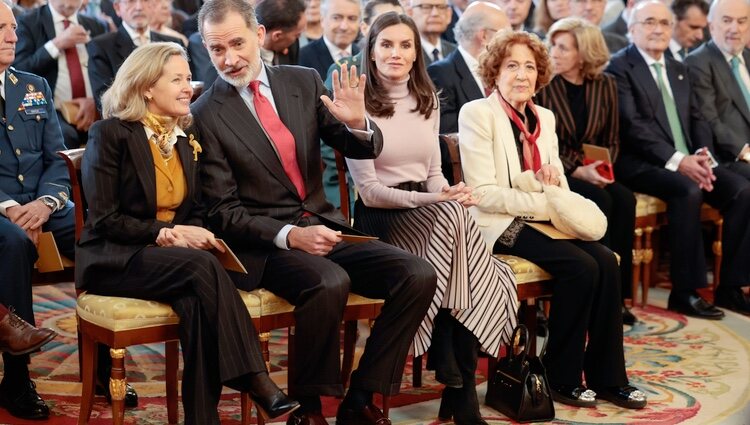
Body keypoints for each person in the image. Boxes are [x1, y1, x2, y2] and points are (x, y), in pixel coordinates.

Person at [192, 1, 437, 425]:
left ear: (260, 35)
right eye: (216, 49)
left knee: (417, 274)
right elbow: (222, 212)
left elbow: (359, 146)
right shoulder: (204, 113)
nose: (228, 59)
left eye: (236, 43)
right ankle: (307, 410)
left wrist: (359, 121)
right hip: (264, 244)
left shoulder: (303, 81)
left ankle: (361, 396)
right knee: (328, 281)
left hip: (323, 225)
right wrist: (290, 235)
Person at [76, 42, 299, 425]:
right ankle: (256, 380)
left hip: (171, 261)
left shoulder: (185, 138)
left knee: (198, 305)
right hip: (113, 258)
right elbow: (104, 219)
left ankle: (202, 419)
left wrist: (192, 231)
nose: (188, 87)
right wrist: (166, 233)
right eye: (176, 79)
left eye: (187, 78)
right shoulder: (110, 133)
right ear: (147, 87)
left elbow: (194, 211)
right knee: (200, 267)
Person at [458, 29, 647, 410]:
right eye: (512, 65)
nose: (522, 74)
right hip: (496, 222)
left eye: (530, 66)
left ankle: (610, 378)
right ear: (495, 70)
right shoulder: (477, 113)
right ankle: (560, 375)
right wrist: (546, 200)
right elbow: (483, 193)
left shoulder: (545, 116)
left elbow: (557, 178)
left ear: (541, 74)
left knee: (606, 262)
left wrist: (550, 190)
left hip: (542, 215)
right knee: (580, 267)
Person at [346, 13, 518, 425]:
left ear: (416, 52)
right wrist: (433, 201)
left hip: (429, 213)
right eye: (386, 44)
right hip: (380, 218)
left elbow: (434, 174)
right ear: (371, 50)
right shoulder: (358, 103)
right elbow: (369, 192)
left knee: (456, 216)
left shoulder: (427, 97)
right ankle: (458, 386)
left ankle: (454, 376)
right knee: (454, 225)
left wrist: (451, 193)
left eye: (406, 45)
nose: (396, 53)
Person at [606, 0, 750, 318]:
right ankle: (684, 292)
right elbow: (633, 128)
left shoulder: (677, 66)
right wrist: (679, 160)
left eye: (664, 23)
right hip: (640, 161)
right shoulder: (619, 66)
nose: (657, 29)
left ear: (672, 29)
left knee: (741, 191)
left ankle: (731, 286)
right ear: (631, 28)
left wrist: (702, 155)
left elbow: (697, 117)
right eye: (648, 23)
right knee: (687, 190)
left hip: (686, 158)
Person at [535, 17, 638, 324]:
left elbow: (612, 138)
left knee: (625, 199)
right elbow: (541, 141)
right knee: (601, 201)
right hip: (556, 170)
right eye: (553, 45)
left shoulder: (605, 84)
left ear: (584, 53)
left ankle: (617, 295)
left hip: (594, 169)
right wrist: (578, 170)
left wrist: (602, 168)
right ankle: (595, 292)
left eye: (564, 47)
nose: (554, 52)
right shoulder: (543, 85)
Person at [0, 3, 74, 420]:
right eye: (2, 29)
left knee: (94, 230)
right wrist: (12, 208)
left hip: (39, 205)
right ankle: (16, 379)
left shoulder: (34, 85)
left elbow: (57, 159)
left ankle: (104, 362)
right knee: (12, 242)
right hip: (3, 209)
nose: (13, 36)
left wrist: (46, 203)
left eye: (13, 27)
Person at [13, 0, 108, 149]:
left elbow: (109, 73)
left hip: (94, 109)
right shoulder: (28, 22)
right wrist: (56, 44)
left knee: (114, 133)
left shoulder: (96, 26)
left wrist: (96, 102)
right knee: (64, 136)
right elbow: (18, 71)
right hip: (50, 110)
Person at [685, 0, 750, 184]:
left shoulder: (748, 58)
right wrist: (745, 151)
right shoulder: (698, 62)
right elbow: (709, 118)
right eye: (727, 20)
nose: (735, 28)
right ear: (712, 25)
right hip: (728, 157)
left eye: (742, 21)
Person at [427, 1, 510, 134]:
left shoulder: (502, 73)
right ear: (484, 36)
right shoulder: (441, 74)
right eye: (506, 34)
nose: (510, 42)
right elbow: (448, 137)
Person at [87, 0, 183, 111]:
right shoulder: (101, 46)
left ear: (153, 5)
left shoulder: (173, 44)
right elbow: (105, 101)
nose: (139, 7)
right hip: (127, 122)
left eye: (145, 0)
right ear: (118, 8)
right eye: (131, 1)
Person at [298, 0, 361, 78]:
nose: (344, 26)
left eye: (352, 19)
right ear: (322, 20)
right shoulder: (302, 57)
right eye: (336, 18)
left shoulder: (363, 55)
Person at [256, 0, 306, 66]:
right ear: (277, 36)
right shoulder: (247, 57)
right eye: (297, 35)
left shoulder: (291, 48)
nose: (298, 38)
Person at [407, 0, 456, 65]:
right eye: (426, 7)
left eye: (441, 7)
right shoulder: (406, 53)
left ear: (449, 14)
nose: (435, 13)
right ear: (410, 13)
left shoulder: (456, 52)